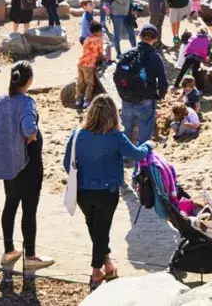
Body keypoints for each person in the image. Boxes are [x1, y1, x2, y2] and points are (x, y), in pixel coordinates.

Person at [63, 95, 152, 289]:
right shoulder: (115, 136)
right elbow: (136, 154)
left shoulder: (77, 134)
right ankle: (96, 271)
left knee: (95, 227)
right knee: (101, 230)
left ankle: (108, 264)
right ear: (113, 114)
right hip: (106, 191)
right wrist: (148, 145)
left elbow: (66, 164)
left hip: (82, 192)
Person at [0, 62, 54, 270]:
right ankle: (31, 256)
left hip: (9, 163)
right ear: (28, 81)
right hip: (28, 163)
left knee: (10, 204)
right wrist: (32, 133)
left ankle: (9, 251)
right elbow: (28, 127)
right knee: (29, 210)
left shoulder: (1, 101)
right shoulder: (26, 103)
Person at [114, 24, 168, 146]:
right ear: (155, 39)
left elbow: (117, 75)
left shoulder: (128, 53)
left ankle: (125, 158)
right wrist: (159, 96)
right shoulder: (155, 57)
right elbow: (163, 82)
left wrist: (122, 94)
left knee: (126, 132)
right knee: (144, 138)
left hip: (127, 99)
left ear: (139, 36)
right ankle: (141, 163)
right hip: (146, 101)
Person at [77, 22, 106, 110]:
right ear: (98, 31)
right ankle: (87, 100)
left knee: (80, 82)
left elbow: (89, 52)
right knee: (89, 84)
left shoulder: (87, 39)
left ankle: (78, 99)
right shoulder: (98, 40)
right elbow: (100, 54)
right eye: (101, 31)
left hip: (80, 63)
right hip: (89, 65)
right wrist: (105, 59)